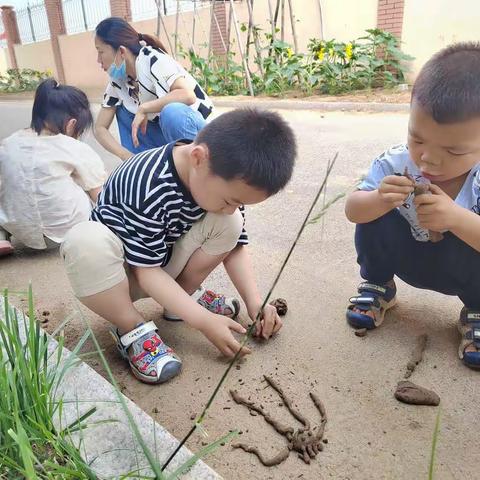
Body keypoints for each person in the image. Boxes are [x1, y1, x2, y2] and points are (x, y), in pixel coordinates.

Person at [61, 108, 297, 384]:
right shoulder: (147, 182)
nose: (234, 207)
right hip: (119, 275)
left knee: (229, 224)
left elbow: (234, 246)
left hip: (158, 261)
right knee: (84, 241)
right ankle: (131, 327)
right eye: (230, 200)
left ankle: (180, 302)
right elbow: (145, 272)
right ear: (198, 158)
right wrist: (203, 321)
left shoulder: (215, 178)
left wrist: (255, 302)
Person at [345, 42, 480, 370]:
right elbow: (352, 209)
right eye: (417, 139)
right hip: (408, 256)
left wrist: (456, 218)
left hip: (461, 268)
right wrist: (378, 199)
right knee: (374, 208)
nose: (429, 158)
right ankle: (378, 285)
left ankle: (476, 310)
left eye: (453, 150)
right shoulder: (394, 163)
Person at [0, 78, 106, 257]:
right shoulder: (72, 147)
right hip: (66, 231)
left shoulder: (8, 144)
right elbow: (101, 196)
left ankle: (2, 236)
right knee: (88, 183)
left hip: (18, 227)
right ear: (72, 124)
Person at [94, 17, 213, 161]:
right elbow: (100, 128)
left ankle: (198, 166)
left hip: (194, 136)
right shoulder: (119, 81)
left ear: (121, 52)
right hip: (166, 142)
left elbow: (187, 95)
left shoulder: (153, 59)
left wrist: (144, 108)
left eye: (100, 52)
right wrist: (125, 155)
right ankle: (144, 163)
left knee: (172, 112)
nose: (98, 60)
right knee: (122, 109)